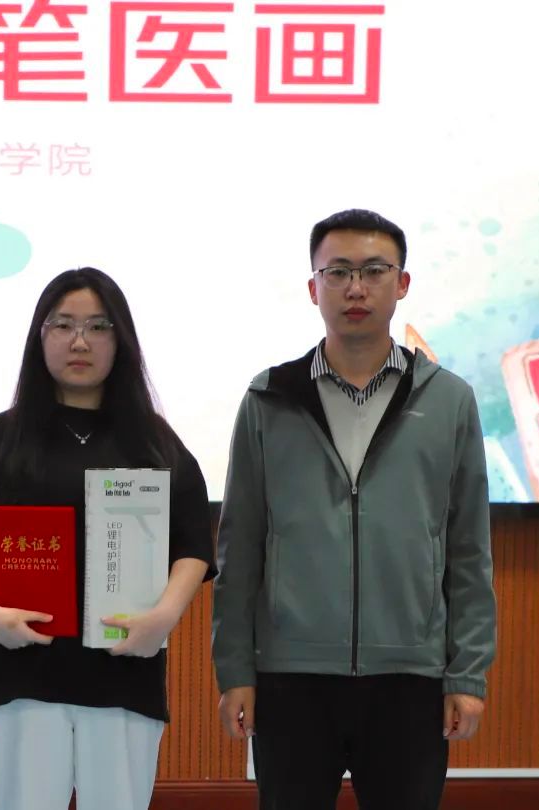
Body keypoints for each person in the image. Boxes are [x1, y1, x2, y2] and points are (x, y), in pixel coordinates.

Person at [213, 209, 496, 810]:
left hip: (411, 679)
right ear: (313, 287)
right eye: (337, 272)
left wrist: (467, 673)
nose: (356, 288)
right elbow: (239, 549)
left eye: (373, 270)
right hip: (291, 678)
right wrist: (235, 670)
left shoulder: (449, 400)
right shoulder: (269, 399)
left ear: (403, 283)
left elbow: (469, 550)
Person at [0, 267, 215, 810]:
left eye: (98, 326)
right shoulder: (3, 437)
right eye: (63, 325)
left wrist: (164, 616)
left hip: (125, 673)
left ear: (121, 340)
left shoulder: (153, 442)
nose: (79, 341)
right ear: (39, 336)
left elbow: (193, 544)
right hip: (25, 672)